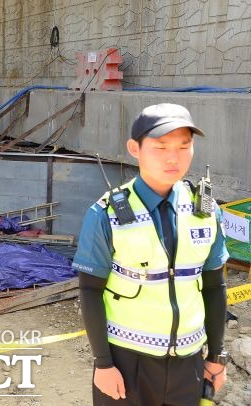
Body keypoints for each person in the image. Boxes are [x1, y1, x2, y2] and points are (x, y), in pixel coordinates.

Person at [72, 103, 229, 405]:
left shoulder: (205, 211)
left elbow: (214, 285)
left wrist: (217, 355)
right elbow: (90, 290)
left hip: (189, 362)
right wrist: (103, 364)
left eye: (184, 146)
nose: (174, 157)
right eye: (160, 147)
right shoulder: (107, 214)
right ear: (135, 148)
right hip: (127, 362)